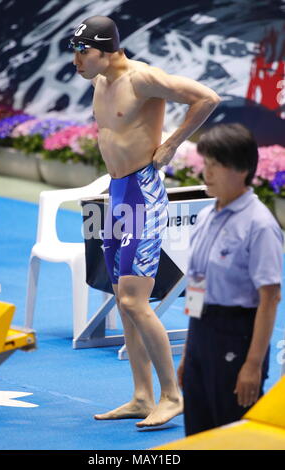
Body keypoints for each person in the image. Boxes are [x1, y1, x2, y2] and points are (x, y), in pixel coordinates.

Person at [69, 15, 220, 428]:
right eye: (74, 52)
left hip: (143, 195)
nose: (76, 61)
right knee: (124, 301)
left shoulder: (143, 78)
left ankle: (173, 396)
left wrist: (171, 144)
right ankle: (141, 396)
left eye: (83, 52)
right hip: (117, 196)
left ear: (107, 50)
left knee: (136, 300)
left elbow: (206, 97)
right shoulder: (100, 81)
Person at [177, 123, 283, 436]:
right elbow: (196, 284)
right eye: (205, 164)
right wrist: (188, 352)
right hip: (201, 333)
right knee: (197, 432)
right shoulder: (207, 216)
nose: (206, 173)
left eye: (215, 166)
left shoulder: (259, 225)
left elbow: (270, 298)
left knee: (232, 433)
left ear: (241, 169)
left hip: (236, 335)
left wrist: (252, 364)